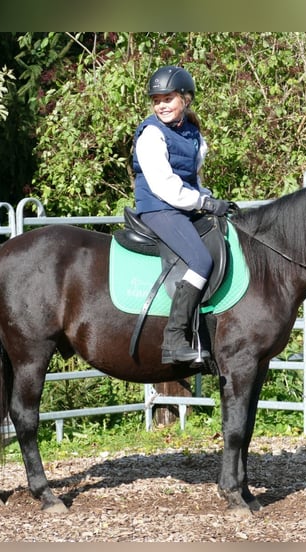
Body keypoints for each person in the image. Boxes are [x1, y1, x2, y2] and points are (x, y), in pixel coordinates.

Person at [132, 65, 235, 365]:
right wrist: (203, 203)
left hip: (182, 204)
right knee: (201, 260)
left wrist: (212, 199)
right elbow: (167, 187)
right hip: (159, 207)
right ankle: (174, 340)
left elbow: (193, 179)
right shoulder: (151, 134)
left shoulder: (192, 133)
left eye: (168, 98)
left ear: (185, 99)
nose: (161, 105)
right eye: (157, 100)